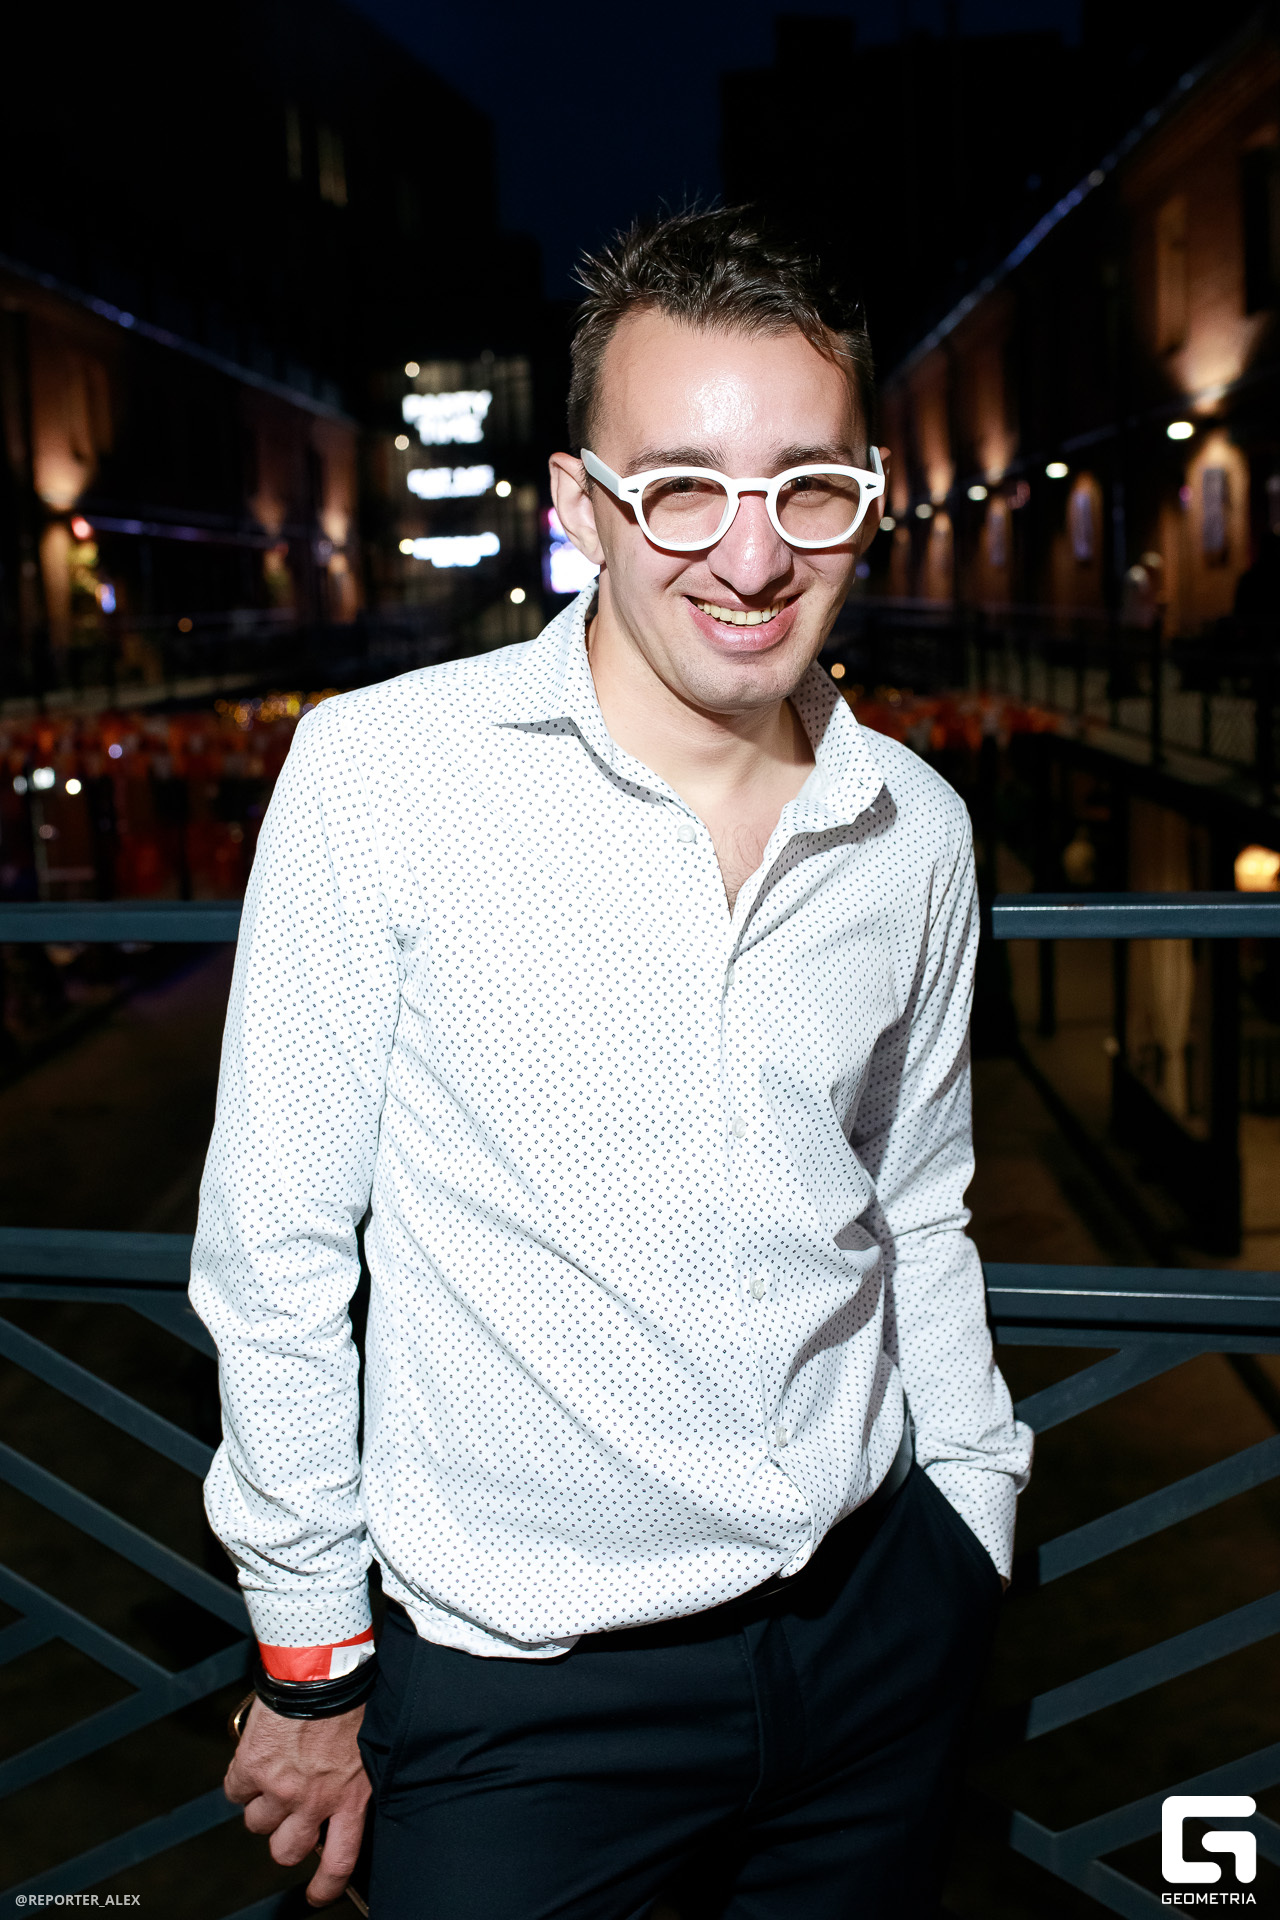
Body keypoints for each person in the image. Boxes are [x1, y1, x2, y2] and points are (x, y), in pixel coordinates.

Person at [191, 206, 1033, 1919]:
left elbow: (917, 1206)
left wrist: (972, 1511)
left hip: (877, 1636)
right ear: (580, 506)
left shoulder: (919, 831)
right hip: (524, 1703)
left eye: (807, 486)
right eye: (682, 489)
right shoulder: (382, 777)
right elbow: (274, 1254)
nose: (752, 557)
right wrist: (310, 1657)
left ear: (870, 499)